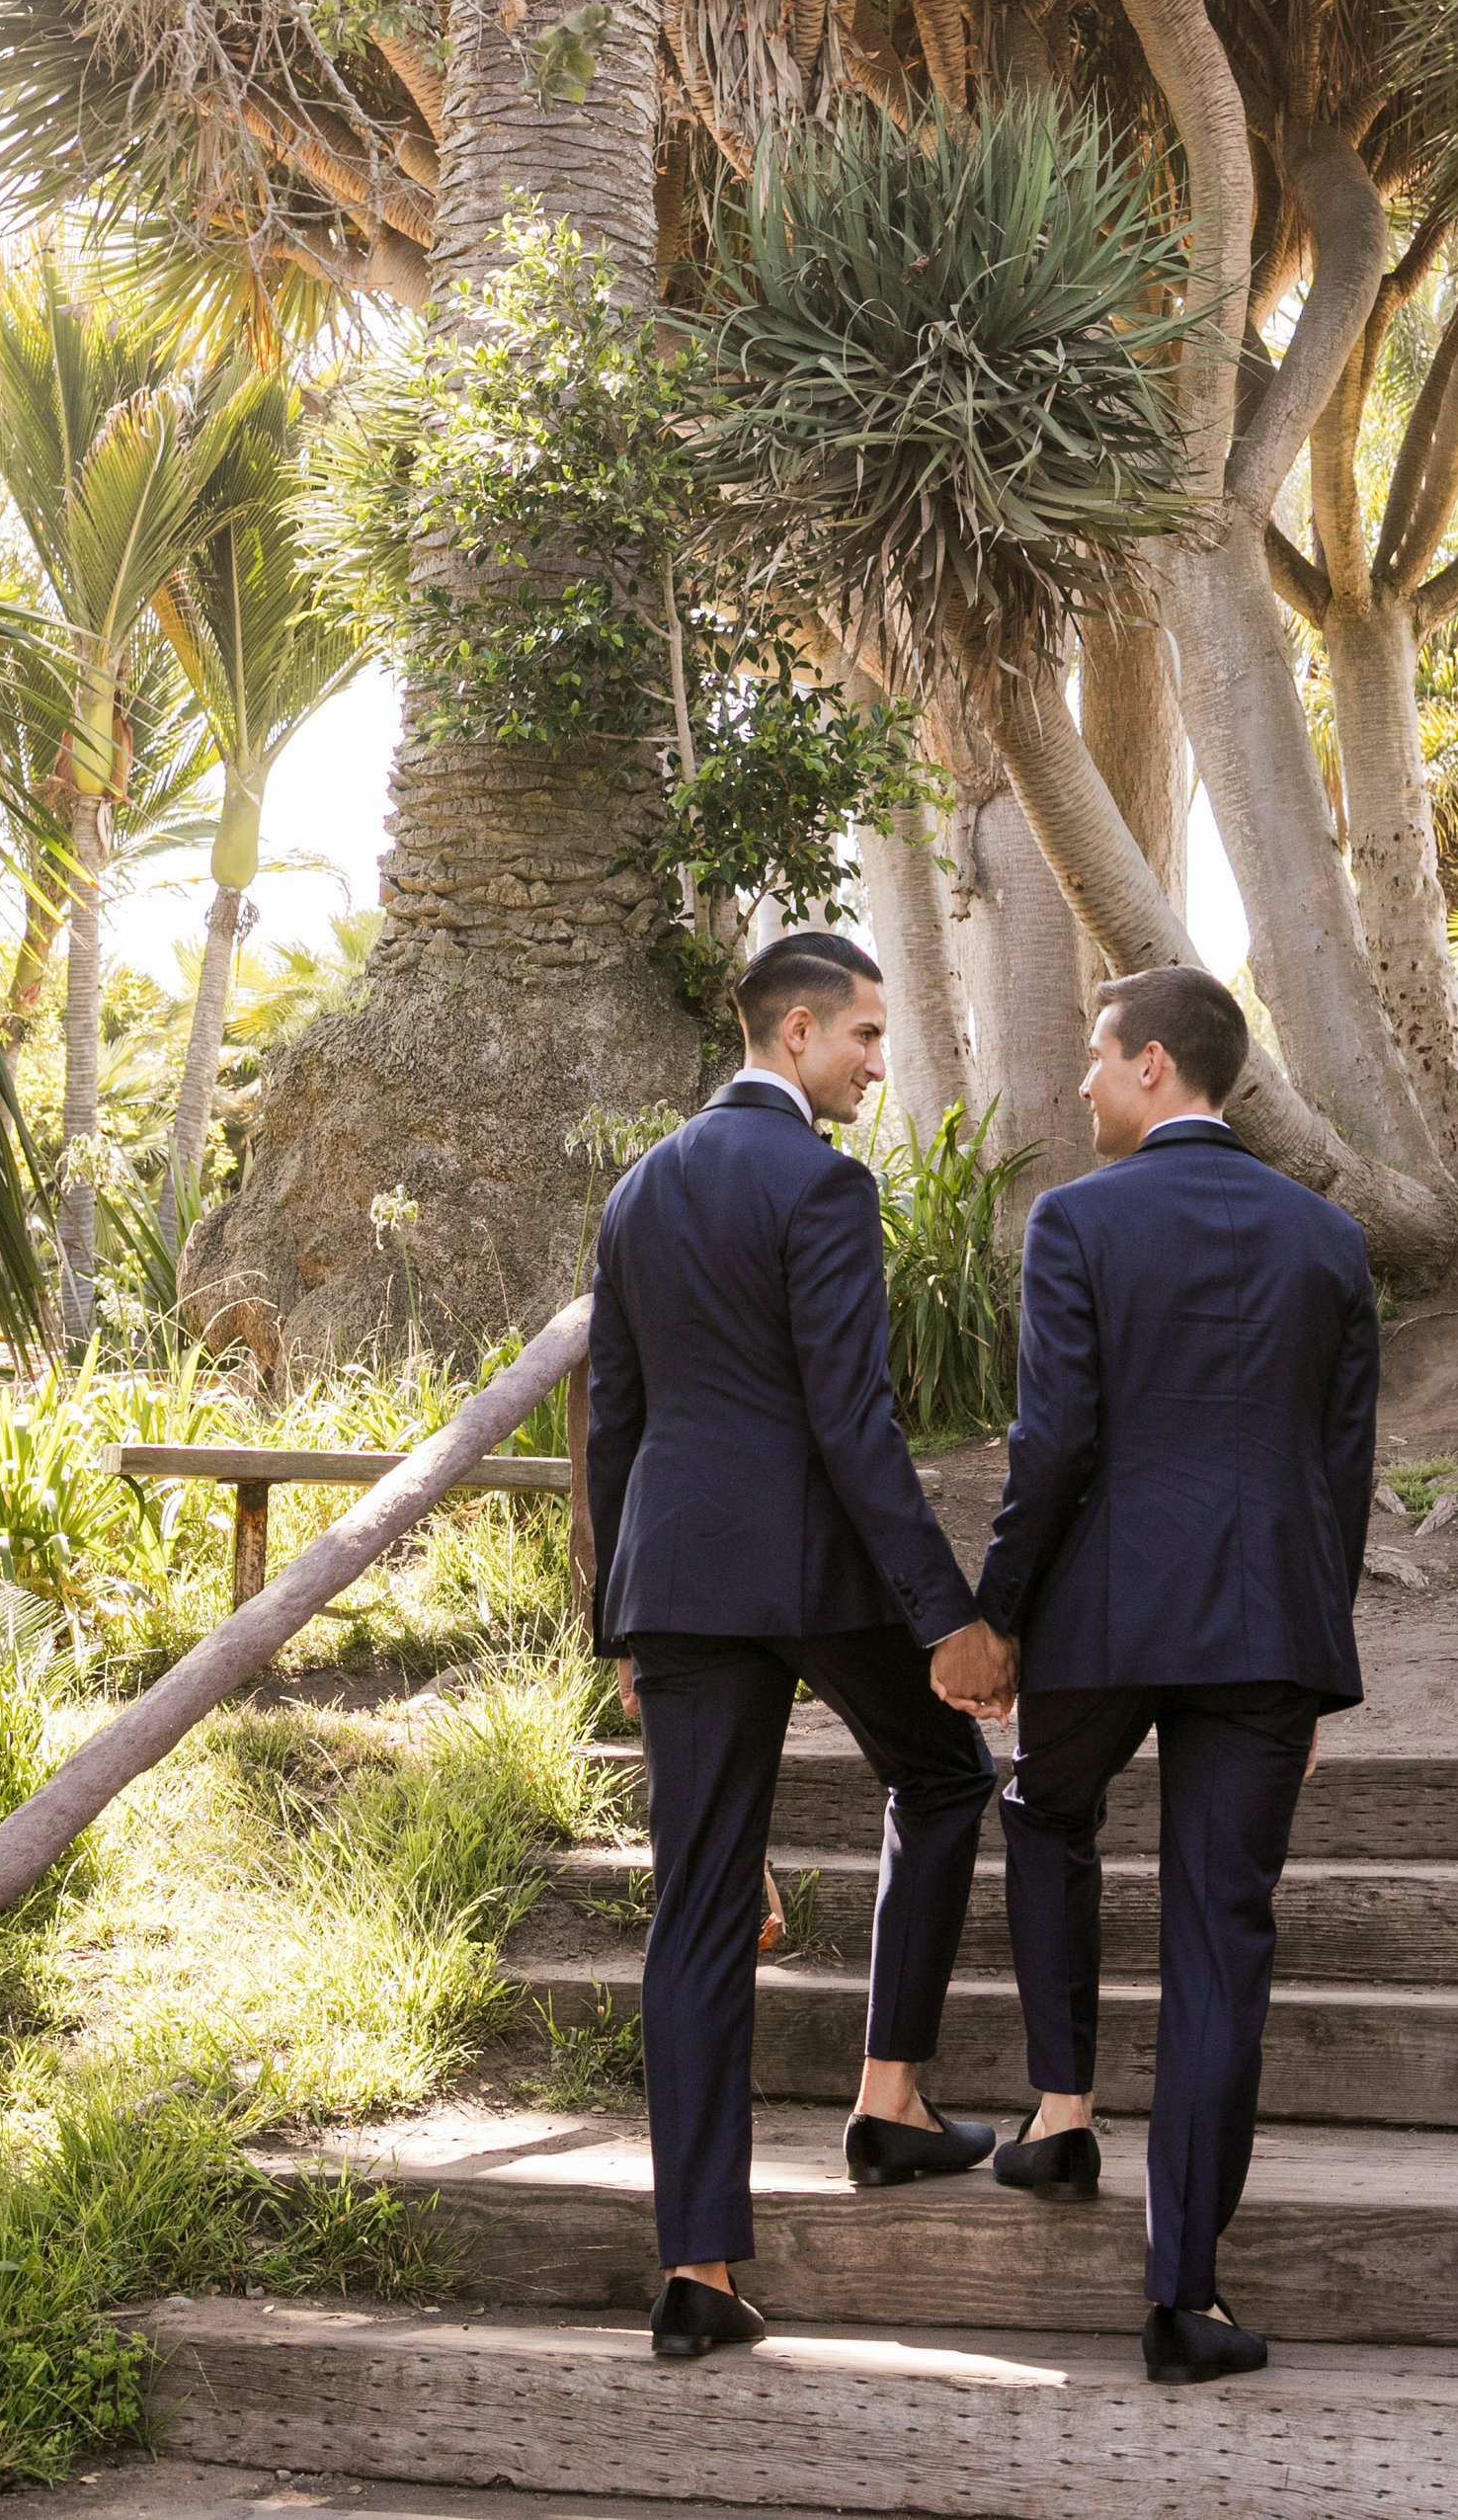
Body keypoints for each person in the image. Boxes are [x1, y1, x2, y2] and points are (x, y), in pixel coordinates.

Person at [938, 964, 1378, 2389]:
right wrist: (1311, 1671)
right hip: (1264, 1634)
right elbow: (1340, 1474)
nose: (1078, 1081)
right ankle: (1184, 2297)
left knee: (1044, 1808)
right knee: (1217, 1948)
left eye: (1093, 1056)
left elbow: (1052, 1444)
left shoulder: (1076, 1220)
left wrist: (998, 1613)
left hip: (1106, 1625)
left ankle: (1061, 2109)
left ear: (1151, 1068)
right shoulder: (1327, 1239)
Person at [588, 929, 1017, 2364]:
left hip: (681, 1584)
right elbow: (852, 1421)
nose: (878, 1065)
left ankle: (694, 2267)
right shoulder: (824, 1183)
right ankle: (887, 2099)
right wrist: (944, 1612)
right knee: (947, 1778)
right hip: (816, 1567)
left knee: (697, 1904)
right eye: (864, 1039)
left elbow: (616, 1424)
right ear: (791, 1033)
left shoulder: (639, 1187)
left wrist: (619, 1621)